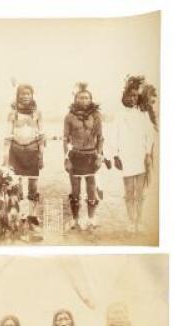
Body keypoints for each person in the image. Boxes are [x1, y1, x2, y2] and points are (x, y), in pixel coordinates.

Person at [110, 76, 155, 233]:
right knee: (129, 191)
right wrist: (115, 155)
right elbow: (113, 135)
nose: (133, 98)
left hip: (141, 157)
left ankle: (139, 220)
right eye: (130, 95)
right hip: (126, 157)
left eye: (135, 95)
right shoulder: (120, 114)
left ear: (138, 97)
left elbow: (150, 135)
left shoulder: (143, 114)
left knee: (140, 192)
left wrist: (148, 154)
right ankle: (131, 221)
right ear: (124, 96)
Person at [3, 83, 45, 234]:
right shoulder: (12, 113)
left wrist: (41, 155)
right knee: (17, 185)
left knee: (33, 186)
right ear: (18, 95)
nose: (25, 96)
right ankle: (21, 216)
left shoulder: (38, 113)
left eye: (28, 94)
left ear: (32, 95)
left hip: (33, 151)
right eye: (22, 94)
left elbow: (41, 136)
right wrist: (5, 158)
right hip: (16, 152)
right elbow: (8, 136)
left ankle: (32, 215)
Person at [63, 82, 104, 230]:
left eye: (87, 97)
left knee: (91, 189)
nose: (84, 100)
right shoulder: (69, 117)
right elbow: (66, 138)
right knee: (75, 189)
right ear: (76, 99)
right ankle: (75, 219)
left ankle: (91, 219)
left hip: (91, 155)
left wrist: (99, 157)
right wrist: (66, 158)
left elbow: (100, 138)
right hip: (75, 155)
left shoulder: (96, 116)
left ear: (91, 99)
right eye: (81, 97)